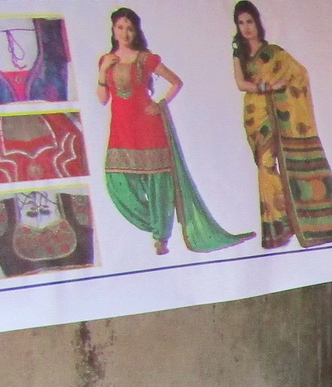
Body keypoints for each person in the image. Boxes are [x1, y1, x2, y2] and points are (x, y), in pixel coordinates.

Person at [98, 9, 250, 256]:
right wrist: (102, 71)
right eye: (120, 27)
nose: (124, 33)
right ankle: (156, 222)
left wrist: (159, 105)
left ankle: (161, 238)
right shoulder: (107, 60)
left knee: (158, 182)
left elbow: (176, 82)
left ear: (135, 31)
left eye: (129, 28)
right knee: (117, 181)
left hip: (149, 128)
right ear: (113, 29)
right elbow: (103, 99)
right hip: (121, 130)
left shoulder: (146, 59)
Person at [230, 1, 332, 249]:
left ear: (257, 22)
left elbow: (299, 74)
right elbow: (241, 83)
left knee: (276, 163)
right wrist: (267, 87)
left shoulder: (274, 52)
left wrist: (280, 87)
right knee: (265, 166)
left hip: (281, 113)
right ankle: (280, 221)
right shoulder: (239, 53)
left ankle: (296, 220)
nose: (246, 27)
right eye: (241, 23)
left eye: (249, 21)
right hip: (256, 114)